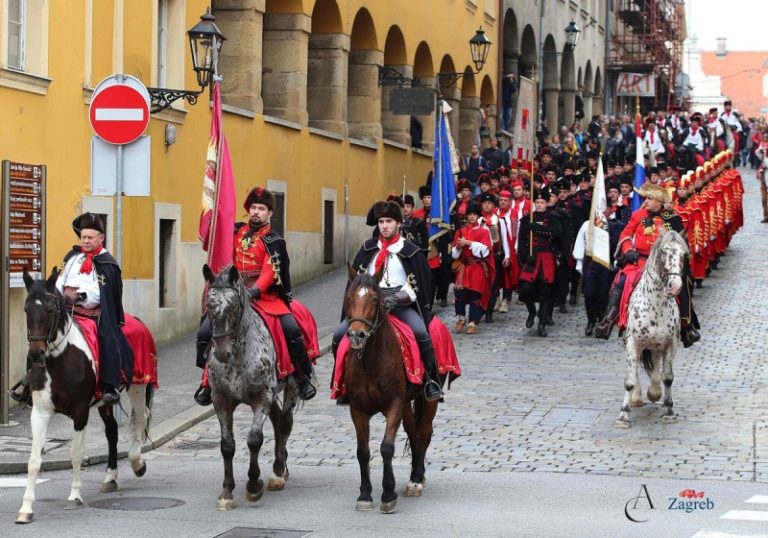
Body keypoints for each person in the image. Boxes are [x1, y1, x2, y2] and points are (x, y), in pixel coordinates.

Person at [194, 187, 318, 405]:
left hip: (264, 297)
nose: (256, 212)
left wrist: (254, 291)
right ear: (248, 209)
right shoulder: (235, 233)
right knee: (207, 329)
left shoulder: (274, 240)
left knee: (291, 328)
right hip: (234, 294)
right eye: (253, 207)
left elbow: (271, 271)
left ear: (269, 213)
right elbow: (222, 250)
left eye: (261, 208)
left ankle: (301, 376)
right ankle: (206, 382)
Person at [10, 213, 132, 405]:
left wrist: (80, 295)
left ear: (101, 238)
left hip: (93, 315)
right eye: (83, 237)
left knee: (108, 338)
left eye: (90, 237)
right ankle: (30, 384)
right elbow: (61, 281)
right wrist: (55, 294)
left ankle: (110, 386)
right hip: (66, 311)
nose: (86, 241)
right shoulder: (73, 258)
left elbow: (102, 294)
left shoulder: (108, 264)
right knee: (39, 335)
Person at [333, 200, 442, 402]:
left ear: (399, 224)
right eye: (381, 222)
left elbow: (418, 285)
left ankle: (430, 381)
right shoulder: (367, 249)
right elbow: (355, 282)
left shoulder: (411, 251)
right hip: (369, 306)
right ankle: (344, 382)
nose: (384, 226)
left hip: (400, 304)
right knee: (340, 334)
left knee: (421, 332)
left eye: (389, 221)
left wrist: (396, 299)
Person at [593, 183, 701, 347]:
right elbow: (626, 234)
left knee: (682, 284)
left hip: (663, 263)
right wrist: (628, 250)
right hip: (640, 260)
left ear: (660, 201)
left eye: (650, 198)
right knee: (622, 280)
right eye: (646, 198)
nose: (647, 201)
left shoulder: (673, 219)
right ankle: (608, 319)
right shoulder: (638, 215)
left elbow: (680, 243)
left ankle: (687, 325)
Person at [517, 187, 563, 336]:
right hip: (532, 256)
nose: (539, 205)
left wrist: (537, 228)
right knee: (526, 288)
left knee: (545, 291)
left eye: (542, 202)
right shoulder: (527, 218)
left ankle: (542, 323)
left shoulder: (553, 217)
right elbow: (522, 240)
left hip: (547, 257)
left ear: (547, 203)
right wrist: (524, 256)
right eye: (537, 202)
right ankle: (531, 311)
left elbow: (557, 233)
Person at [451, 202, 494, 335]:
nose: (471, 217)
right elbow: (454, 253)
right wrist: (458, 246)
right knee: (460, 294)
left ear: (478, 216)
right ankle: (461, 318)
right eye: (469, 214)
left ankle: (473, 322)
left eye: (474, 214)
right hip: (463, 267)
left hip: (476, 266)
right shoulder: (460, 231)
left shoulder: (484, 231)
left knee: (475, 294)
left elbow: (486, 250)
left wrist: (469, 243)